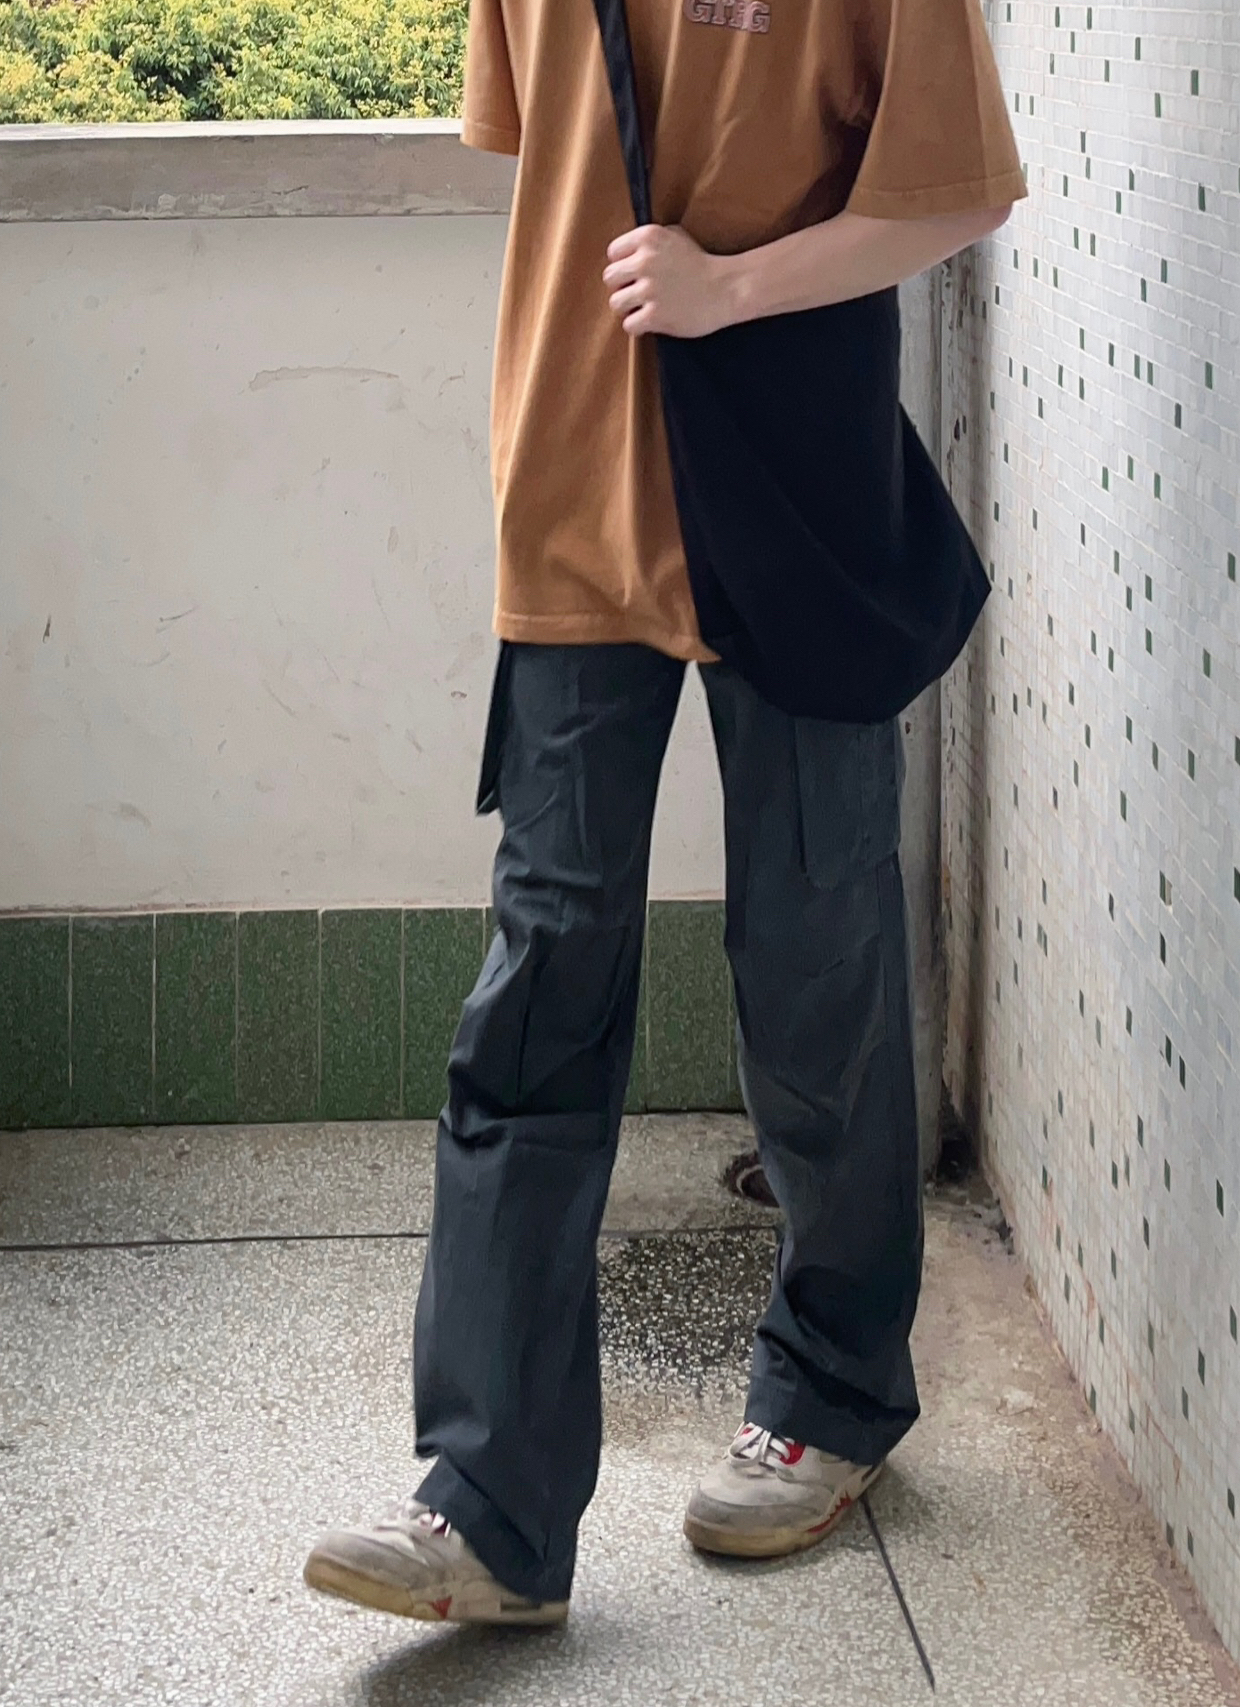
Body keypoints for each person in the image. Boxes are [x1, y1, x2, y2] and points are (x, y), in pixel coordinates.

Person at [304, 0, 1026, 1628]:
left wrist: (729, 286)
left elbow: (960, 193)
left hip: (793, 500)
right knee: (540, 973)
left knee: (820, 955)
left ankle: (836, 1392)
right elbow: (542, 153)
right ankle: (488, 1508)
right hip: (573, 499)